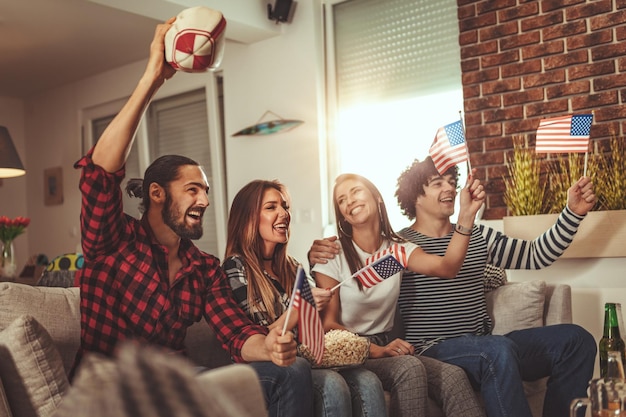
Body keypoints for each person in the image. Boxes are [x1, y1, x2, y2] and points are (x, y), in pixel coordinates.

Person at [72, 19, 313, 417]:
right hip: (113, 387)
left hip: (178, 381)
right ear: (156, 193)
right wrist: (153, 77)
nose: (204, 199)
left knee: (291, 371)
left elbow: (236, 333)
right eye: (193, 189)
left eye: (206, 190)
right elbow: (99, 174)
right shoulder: (112, 241)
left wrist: (267, 345)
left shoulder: (203, 268)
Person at [391, 157, 596, 417]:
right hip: (433, 351)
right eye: (437, 183)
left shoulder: (479, 236)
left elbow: (535, 255)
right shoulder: (399, 244)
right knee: (496, 350)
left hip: (484, 347)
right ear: (415, 196)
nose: (450, 189)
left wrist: (573, 214)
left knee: (576, 341)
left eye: (452, 182)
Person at [311, 173, 487, 417]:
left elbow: (447, 267)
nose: (349, 201)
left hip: (386, 345)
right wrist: (374, 349)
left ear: (377, 197)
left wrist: (466, 216)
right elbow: (328, 325)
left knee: (453, 375)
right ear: (342, 214)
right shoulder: (331, 254)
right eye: (342, 200)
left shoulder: (397, 250)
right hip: (349, 351)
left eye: (356, 192)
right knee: (408, 367)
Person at [222, 179, 387, 417]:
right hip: (268, 369)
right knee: (331, 384)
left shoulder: (292, 267)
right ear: (248, 218)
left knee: (369, 381)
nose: (284, 214)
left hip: (306, 360)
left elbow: (318, 325)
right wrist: (302, 308)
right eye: (271, 207)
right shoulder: (235, 267)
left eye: (285, 206)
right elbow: (259, 341)